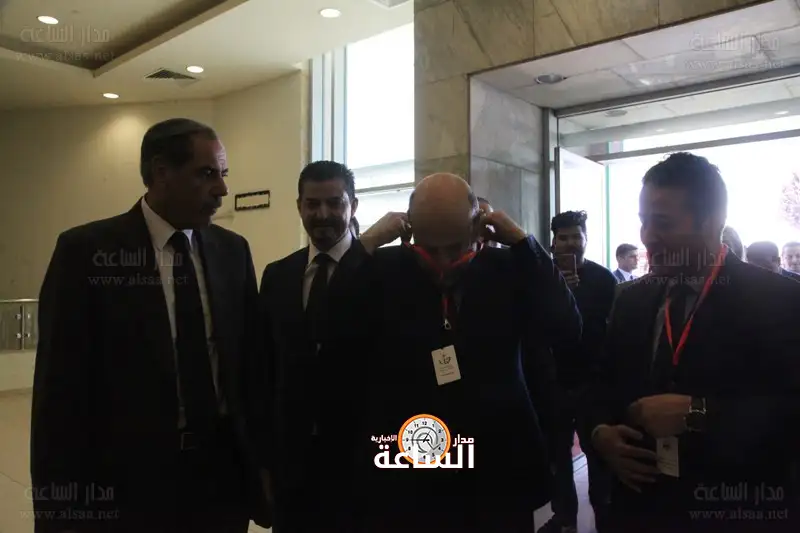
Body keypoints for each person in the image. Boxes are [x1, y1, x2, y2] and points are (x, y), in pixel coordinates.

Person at [31, 118, 267, 533]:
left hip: (222, 480)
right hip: (130, 488)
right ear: (161, 173)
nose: (221, 189)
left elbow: (251, 367)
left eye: (223, 174)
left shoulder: (232, 252)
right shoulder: (86, 253)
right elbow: (58, 395)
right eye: (206, 173)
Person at [347, 173, 582, 533]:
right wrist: (366, 243)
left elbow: (567, 326)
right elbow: (329, 324)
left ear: (478, 227)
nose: (443, 262)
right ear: (410, 231)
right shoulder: (384, 268)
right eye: (430, 249)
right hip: (409, 468)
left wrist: (522, 242)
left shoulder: (509, 267)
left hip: (498, 467)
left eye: (455, 248)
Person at [589, 152, 800, 532]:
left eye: (663, 223)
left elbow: (789, 411)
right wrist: (600, 433)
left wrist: (701, 414)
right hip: (636, 507)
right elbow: (602, 385)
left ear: (713, 221)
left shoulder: (780, 300)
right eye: (643, 220)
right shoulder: (630, 298)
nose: (647, 236)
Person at [258, 161, 366, 533]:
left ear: (354, 205)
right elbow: (264, 368)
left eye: (335, 203)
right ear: (299, 206)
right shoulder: (277, 275)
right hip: (292, 469)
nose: (323, 214)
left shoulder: (379, 271)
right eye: (312, 204)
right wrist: (265, 463)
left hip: (360, 465)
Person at [541, 210, 617, 533]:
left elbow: (615, 331)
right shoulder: (542, 279)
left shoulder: (604, 280)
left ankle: (604, 518)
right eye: (563, 238)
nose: (571, 243)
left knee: (598, 455)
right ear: (553, 243)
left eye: (576, 236)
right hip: (553, 383)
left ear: (586, 239)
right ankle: (565, 518)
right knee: (557, 457)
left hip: (593, 382)